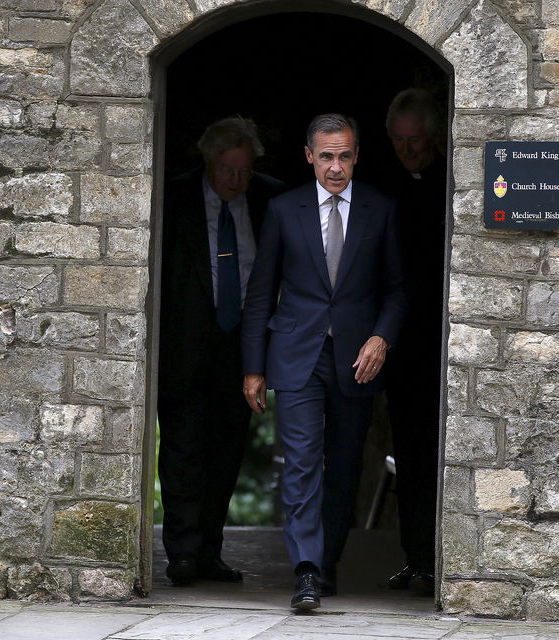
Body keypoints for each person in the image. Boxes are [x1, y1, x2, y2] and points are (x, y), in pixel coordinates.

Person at [242, 114, 407, 610]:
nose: (336, 167)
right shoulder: (282, 209)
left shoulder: (381, 208)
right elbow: (260, 292)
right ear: (309, 155)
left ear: (357, 155)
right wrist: (254, 366)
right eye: (327, 156)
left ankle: (327, 561)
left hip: (357, 359)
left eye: (346, 156)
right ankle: (307, 571)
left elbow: (399, 289)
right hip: (295, 357)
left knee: (344, 467)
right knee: (301, 463)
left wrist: (381, 337)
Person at [158, 117, 285, 586]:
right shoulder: (172, 196)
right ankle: (183, 554)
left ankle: (209, 551)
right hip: (186, 344)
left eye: (243, 172)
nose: (235, 180)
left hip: (243, 349)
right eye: (226, 170)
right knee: (182, 451)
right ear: (208, 161)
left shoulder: (273, 198)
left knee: (226, 453)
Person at [375, 88, 447, 592]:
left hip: (445, 339)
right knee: (411, 454)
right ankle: (418, 556)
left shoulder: (451, 181)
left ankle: (446, 559)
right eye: (399, 141)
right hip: (403, 345)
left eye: (416, 140)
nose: (408, 151)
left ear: (435, 135)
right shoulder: (382, 187)